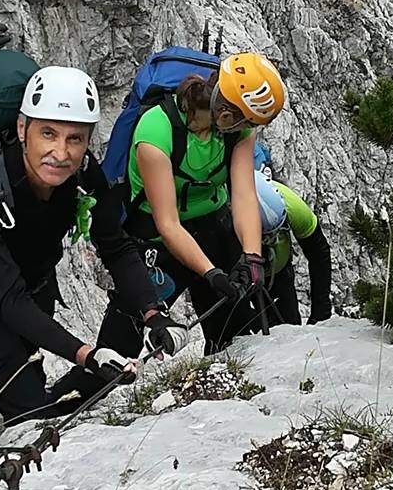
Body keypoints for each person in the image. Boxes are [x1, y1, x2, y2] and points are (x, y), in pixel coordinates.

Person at [0, 66, 187, 426]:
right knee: (32, 414)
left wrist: (153, 314)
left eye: (75, 139)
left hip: (32, 285)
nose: (60, 152)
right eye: (48, 133)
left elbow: (115, 245)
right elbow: (8, 298)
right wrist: (86, 355)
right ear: (22, 129)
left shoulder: (82, 173)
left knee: (37, 391)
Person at [96, 52, 287, 356]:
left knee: (234, 339)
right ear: (226, 111)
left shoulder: (240, 129)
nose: (246, 128)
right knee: (118, 347)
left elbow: (244, 195)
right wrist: (211, 273)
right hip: (159, 241)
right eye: (242, 120)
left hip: (214, 229)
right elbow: (168, 223)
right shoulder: (156, 130)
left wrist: (252, 257)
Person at [250, 169, 332, 328]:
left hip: (278, 272)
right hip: (239, 275)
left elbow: (319, 254)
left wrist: (320, 312)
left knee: (289, 325)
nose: (270, 240)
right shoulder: (227, 219)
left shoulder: (293, 207)